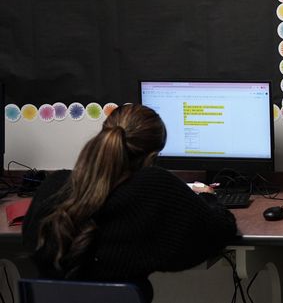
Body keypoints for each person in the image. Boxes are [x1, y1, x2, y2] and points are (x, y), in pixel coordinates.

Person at [23, 103, 238, 302]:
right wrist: (208, 197)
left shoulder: (53, 186)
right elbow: (219, 231)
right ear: (152, 156)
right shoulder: (152, 188)